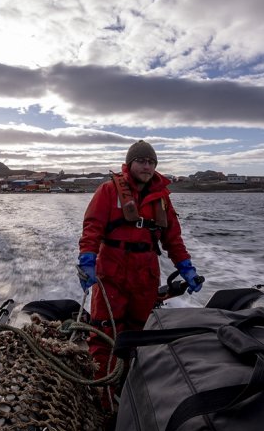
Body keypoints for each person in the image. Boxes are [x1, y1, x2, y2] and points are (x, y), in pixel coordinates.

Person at [77, 140, 203, 402]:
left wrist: (187, 268)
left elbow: (174, 240)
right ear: (130, 163)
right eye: (141, 161)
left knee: (141, 332)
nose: (147, 166)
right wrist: (87, 258)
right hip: (111, 271)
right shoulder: (109, 191)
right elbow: (92, 227)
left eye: (151, 162)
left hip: (145, 274)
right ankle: (104, 395)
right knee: (105, 331)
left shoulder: (163, 199)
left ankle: (133, 391)